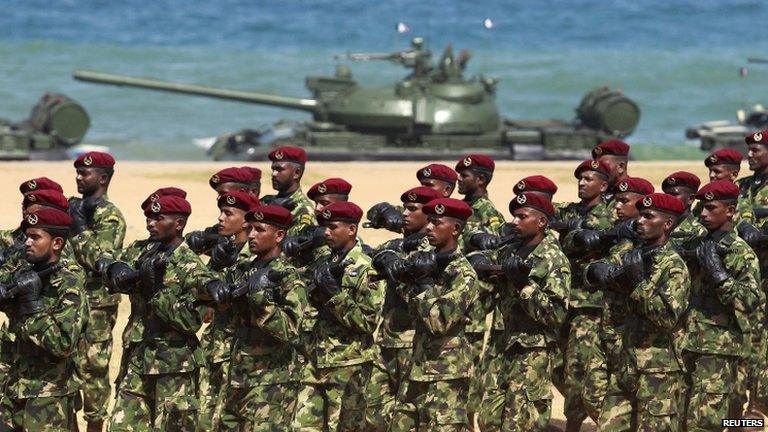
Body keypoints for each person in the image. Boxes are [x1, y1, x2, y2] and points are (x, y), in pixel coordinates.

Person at [104, 194, 216, 431]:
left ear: (179, 224)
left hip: (174, 366)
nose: (150, 223)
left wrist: (157, 293)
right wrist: (115, 269)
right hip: (137, 358)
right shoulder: (141, 251)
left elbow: (191, 321)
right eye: (148, 217)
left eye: (158, 218)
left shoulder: (192, 266)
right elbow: (113, 268)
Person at [586, 193, 690, 431]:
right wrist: (598, 271)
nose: (639, 221)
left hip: (658, 368)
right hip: (626, 359)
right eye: (640, 215)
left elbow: (667, 318)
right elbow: (595, 272)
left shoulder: (673, 266)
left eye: (648, 216)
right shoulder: (631, 255)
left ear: (667, 224)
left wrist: (637, 286)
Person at [562, 176, 653, 431]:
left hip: (640, 335)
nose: (617, 206)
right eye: (616, 200)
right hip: (609, 327)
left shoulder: (653, 239)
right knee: (592, 391)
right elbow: (576, 245)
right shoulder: (617, 232)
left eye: (625, 201)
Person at [476, 192, 570, 431]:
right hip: (503, 343)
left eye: (522, 217)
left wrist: (523, 285)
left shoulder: (554, 260)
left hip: (532, 351)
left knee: (522, 421)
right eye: (514, 217)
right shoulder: (510, 251)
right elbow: (486, 277)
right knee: (488, 418)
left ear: (541, 222)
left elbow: (556, 314)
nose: (514, 222)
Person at [385, 197, 477, 431]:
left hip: (446, 372)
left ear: (455, 229)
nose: (428, 227)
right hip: (417, 365)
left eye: (437, 223)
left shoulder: (463, 275)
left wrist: (424, 283)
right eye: (429, 222)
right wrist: (396, 268)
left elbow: (438, 322)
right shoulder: (426, 259)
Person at [213, 204, 307, 430]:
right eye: (251, 228)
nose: (252, 235)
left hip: (271, 380)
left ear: (279, 236)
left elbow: (290, 330)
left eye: (260, 230)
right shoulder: (243, 269)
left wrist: (261, 300)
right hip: (238, 372)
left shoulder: (288, 276)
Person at [292, 201, 384, 431]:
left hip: (349, 364)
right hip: (316, 359)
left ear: (352, 229)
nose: (326, 232)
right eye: (324, 226)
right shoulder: (324, 261)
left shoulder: (366, 267)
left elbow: (367, 321)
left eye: (333, 227)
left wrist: (334, 295)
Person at [679, 181, 762, 431]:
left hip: (717, 347)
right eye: (702, 207)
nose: (703, 213)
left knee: (706, 421)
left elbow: (750, 301)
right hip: (686, 341)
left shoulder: (740, 253)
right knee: (681, 414)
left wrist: (719, 276)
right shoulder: (696, 244)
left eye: (711, 208)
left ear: (730, 211)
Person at [0, 208, 87, 430]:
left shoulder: (68, 284)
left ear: (57, 243)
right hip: (15, 388)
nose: (27, 242)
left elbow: (63, 343)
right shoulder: (24, 272)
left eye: (35, 237)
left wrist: (32, 305)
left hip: (48, 397)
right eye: (27, 236)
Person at [367, 186, 441, 430]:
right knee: (373, 412)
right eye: (404, 208)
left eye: (412, 209)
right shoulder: (398, 244)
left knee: (409, 414)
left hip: (414, 343)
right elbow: (375, 253)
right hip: (387, 340)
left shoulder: (433, 253)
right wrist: (386, 256)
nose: (404, 214)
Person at [67, 151, 126, 432]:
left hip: (97, 304)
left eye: (85, 173)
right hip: (70, 300)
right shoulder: (73, 208)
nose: (78, 178)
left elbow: (100, 258)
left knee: (94, 368)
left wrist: (78, 228)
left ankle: (95, 427)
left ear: (102, 178)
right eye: (77, 173)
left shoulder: (110, 216)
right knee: (65, 365)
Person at [197, 191, 259, 431]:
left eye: (228, 213)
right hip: (214, 349)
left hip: (240, 355)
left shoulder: (255, 258)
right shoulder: (222, 253)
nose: (221, 218)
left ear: (245, 221)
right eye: (220, 212)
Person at [260, 146, 317, 236]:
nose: (273, 174)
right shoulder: (266, 201)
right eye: (273, 169)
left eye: (279, 170)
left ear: (296, 173)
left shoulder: (303, 210)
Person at [661, 171, 707, 245]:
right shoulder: (659, 225)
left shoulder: (698, 232)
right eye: (666, 195)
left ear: (690, 199)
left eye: (673, 195)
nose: (668, 199)